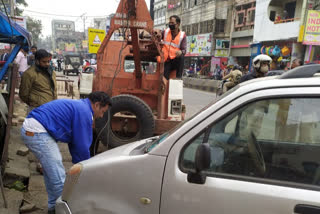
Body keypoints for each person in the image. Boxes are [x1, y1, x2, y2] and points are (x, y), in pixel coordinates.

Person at [20, 91, 112, 213]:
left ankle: (53, 208)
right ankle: (61, 210)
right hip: (36, 131)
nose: (101, 116)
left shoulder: (81, 107)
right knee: (58, 178)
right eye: (102, 112)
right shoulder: (84, 112)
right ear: (97, 105)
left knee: (51, 173)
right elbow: (82, 146)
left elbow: (75, 143)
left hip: (35, 128)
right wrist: (86, 169)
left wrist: (81, 166)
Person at [155, 15, 187, 80]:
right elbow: (160, 35)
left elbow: (184, 50)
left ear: (178, 24)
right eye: (170, 23)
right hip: (166, 61)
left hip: (175, 60)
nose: (170, 25)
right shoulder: (166, 32)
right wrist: (157, 34)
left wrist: (181, 52)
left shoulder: (182, 35)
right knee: (164, 79)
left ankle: (179, 77)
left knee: (181, 57)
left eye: (172, 23)